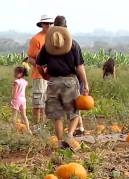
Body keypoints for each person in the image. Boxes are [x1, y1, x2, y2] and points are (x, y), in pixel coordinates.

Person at [36, 16, 89, 151]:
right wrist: (85, 84)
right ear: (66, 27)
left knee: (57, 116)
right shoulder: (73, 44)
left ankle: (60, 143)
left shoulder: (47, 46)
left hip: (53, 82)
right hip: (69, 82)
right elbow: (79, 67)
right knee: (74, 113)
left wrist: (45, 76)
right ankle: (70, 135)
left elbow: (38, 65)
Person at [27, 15, 53, 123]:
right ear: (41, 24)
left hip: (53, 76)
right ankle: (36, 126)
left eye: (50, 23)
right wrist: (41, 67)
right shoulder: (36, 39)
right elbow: (30, 59)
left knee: (48, 103)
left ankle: (44, 126)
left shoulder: (55, 37)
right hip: (39, 76)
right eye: (46, 23)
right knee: (38, 103)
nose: (49, 25)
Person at [11, 66, 32, 134]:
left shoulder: (16, 82)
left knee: (14, 115)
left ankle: (14, 130)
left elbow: (15, 94)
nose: (14, 74)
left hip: (17, 99)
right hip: (23, 99)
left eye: (15, 72)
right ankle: (29, 130)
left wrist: (12, 100)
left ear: (20, 73)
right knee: (24, 115)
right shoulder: (25, 82)